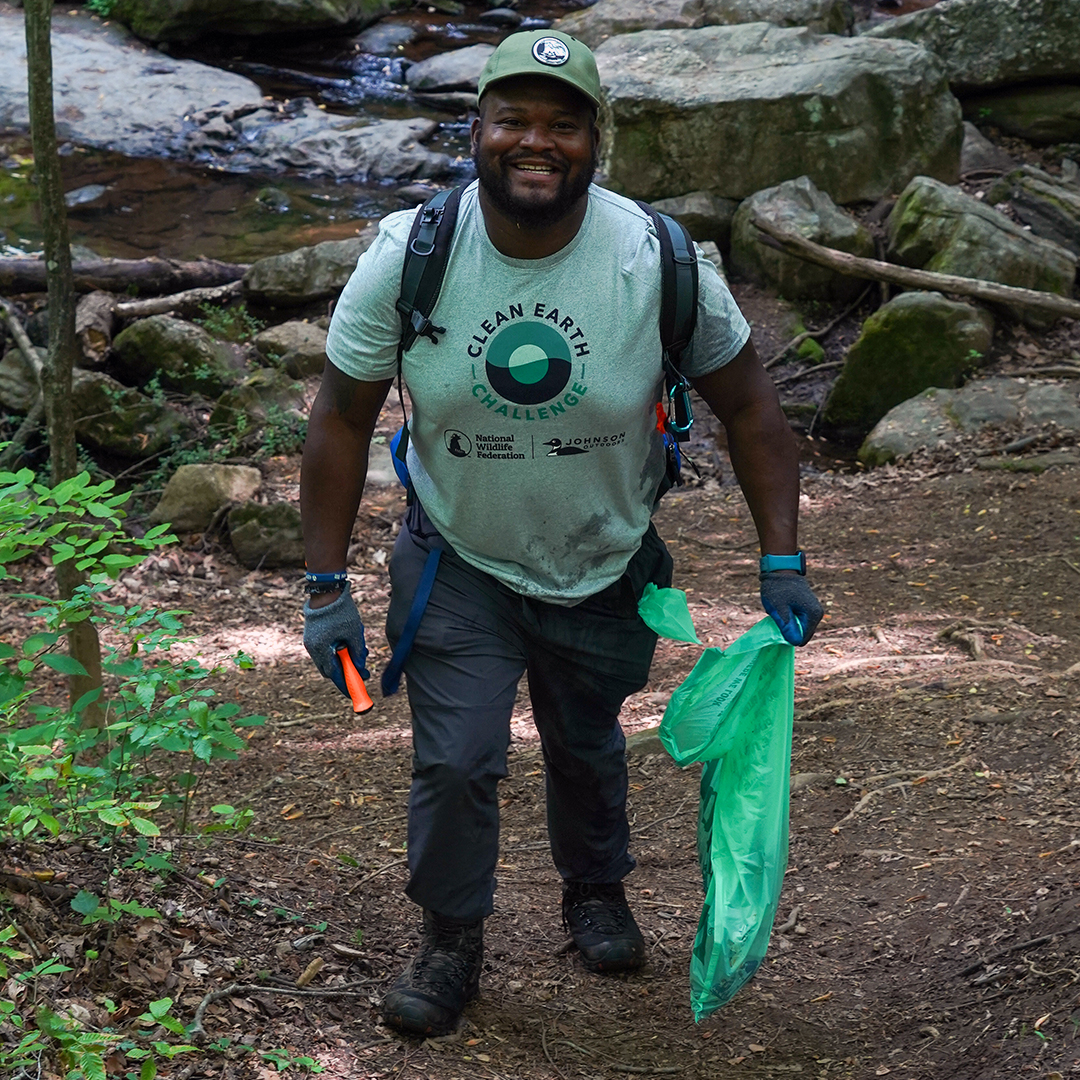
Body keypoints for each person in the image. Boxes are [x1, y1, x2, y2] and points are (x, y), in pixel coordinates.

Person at [300, 29, 823, 1038]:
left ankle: (597, 890)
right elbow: (338, 417)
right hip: (460, 554)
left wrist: (784, 557)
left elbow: (752, 409)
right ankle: (451, 939)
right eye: (516, 120)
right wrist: (325, 588)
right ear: (476, 132)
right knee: (457, 761)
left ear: (596, 140)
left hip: (606, 555)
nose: (537, 142)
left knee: (585, 742)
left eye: (564, 124)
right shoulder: (412, 255)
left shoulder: (657, 258)